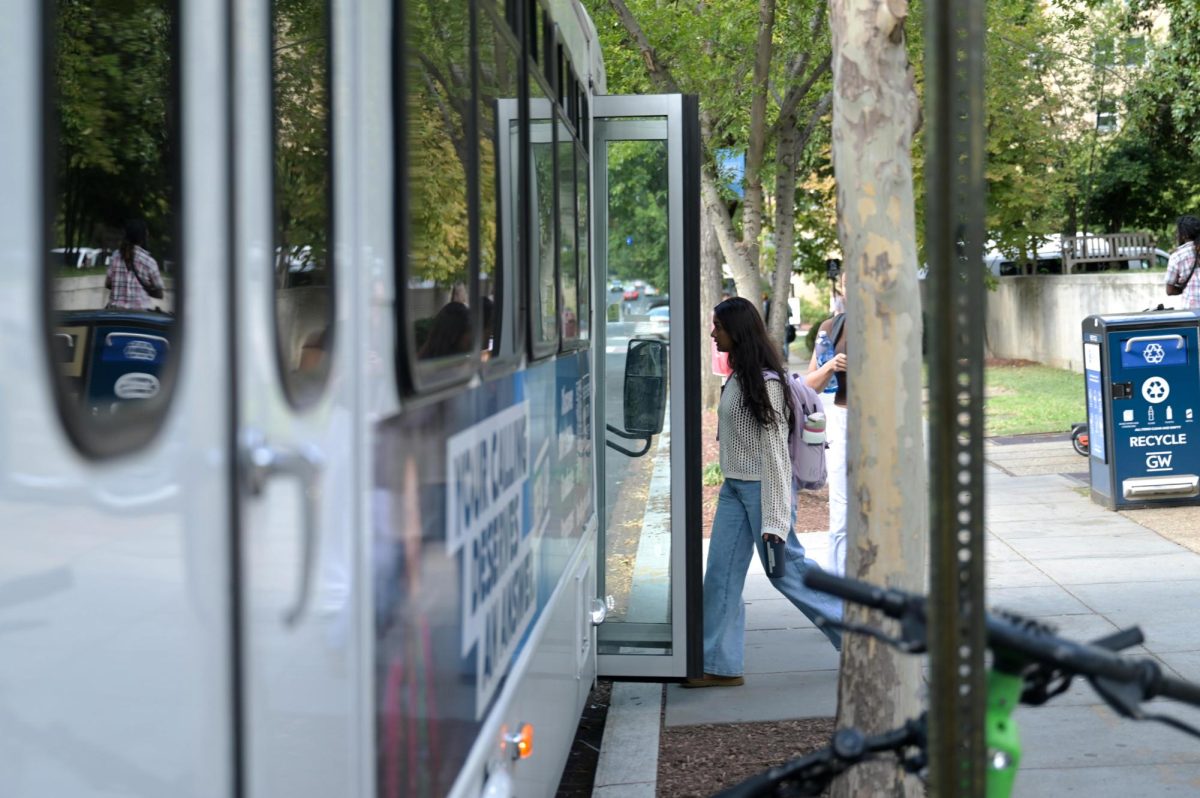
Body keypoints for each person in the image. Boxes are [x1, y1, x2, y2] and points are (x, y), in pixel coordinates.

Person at [684, 297, 843, 688]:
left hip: (762, 491)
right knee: (720, 574)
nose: (712, 333)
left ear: (736, 332)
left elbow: (775, 456)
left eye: (718, 327)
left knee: (787, 572)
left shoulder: (766, 384)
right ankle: (719, 665)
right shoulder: (737, 376)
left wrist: (774, 518)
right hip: (735, 488)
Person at [806, 274, 849, 576]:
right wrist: (830, 366)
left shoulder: (891, 324)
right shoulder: (830, 328)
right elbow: (810, 384)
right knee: (843, 507)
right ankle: (839, 585)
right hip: (844, 419)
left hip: (883, 425)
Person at [104, 219, 165, 310]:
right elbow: (159, 294)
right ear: (142, 238)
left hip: (115, 316)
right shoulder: (149, 261)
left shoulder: (115, 257)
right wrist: (145, 288)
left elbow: (108, 284)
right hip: (139, 317)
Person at [1165, 215, 1200, 307]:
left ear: (1184, 235)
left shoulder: (1177, 256)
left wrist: (1185, 287)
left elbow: (1170, 290)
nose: (1177, 235)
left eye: (1178, 232)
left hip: (1192, 313)